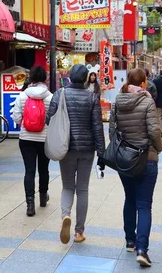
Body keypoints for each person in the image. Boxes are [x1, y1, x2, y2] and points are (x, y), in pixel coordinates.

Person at [103, 68, 162, 267]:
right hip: (146, 158)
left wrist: (121, 148)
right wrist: (158, 149)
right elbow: (154, 131)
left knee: (130, 198)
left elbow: (112, 130)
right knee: (144, 204)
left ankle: (130, 240)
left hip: (125, 159)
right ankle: (142, 250)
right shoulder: (147, 101)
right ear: (143, 83)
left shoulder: (118, 101)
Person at [47, 64, 105, 244]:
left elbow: (48, 118)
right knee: (82, 190)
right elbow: (97, 126)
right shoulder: (92, 96)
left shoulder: (60, 94)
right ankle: (79, 232)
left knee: (67, 187)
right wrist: (102, 152)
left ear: (70, 77)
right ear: (87, 78)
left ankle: (66, 216)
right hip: (87, 149)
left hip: (66, 147)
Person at [11, 66, 53, 217]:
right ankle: (43, 197)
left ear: (31, 78)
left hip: (26, 139)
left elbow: (16, 117)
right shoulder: (50, 97)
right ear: (45, 79)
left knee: (29, 170)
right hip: (45, 139)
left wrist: (24, 122)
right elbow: (54, 118)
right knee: (44, 169)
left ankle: (30, 204)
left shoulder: (22, 96)